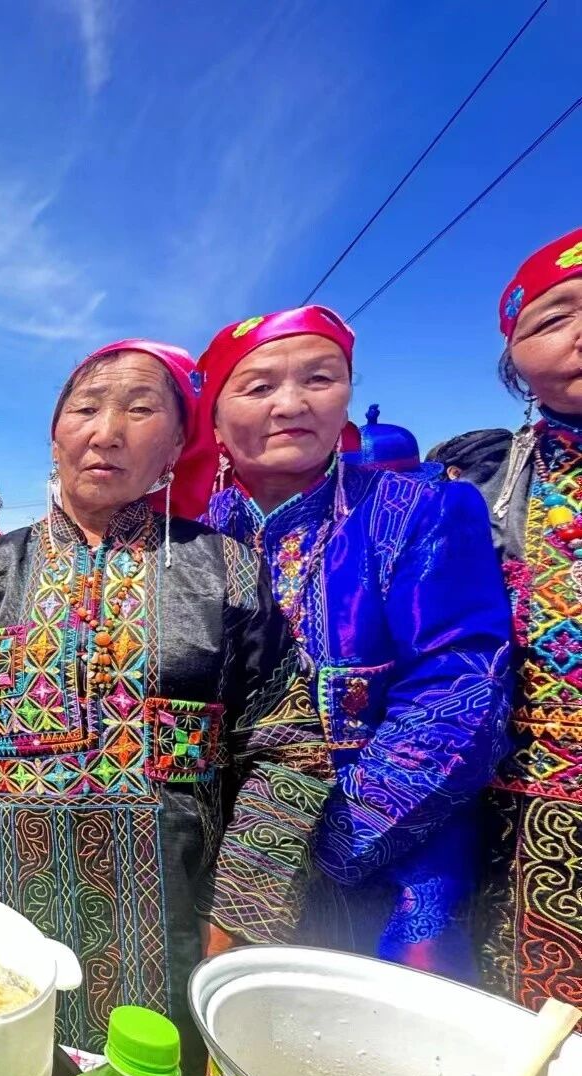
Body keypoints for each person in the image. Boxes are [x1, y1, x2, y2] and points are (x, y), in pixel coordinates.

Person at [0, 339, 326, 1070]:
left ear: (179, 442)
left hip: (177, 924)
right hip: (4, 913)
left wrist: (240, 917)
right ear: (55, 434)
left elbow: (289, 751)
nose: (107, 431)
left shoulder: (225, 569)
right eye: (85, 408)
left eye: (140, 409)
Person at [202, 306, 512, 980]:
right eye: (257, 387)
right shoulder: (196, 536)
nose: (291, 404)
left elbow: (460, 689)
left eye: (319, 378)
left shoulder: (417, 510)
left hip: (384, 854)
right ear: (216, 421)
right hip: (224, 858)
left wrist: (330, 837)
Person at [434, 226, 582, 1010]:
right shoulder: (482, 492)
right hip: (517, 819)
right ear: (515, 358)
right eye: (553, 317)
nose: (580, 331)